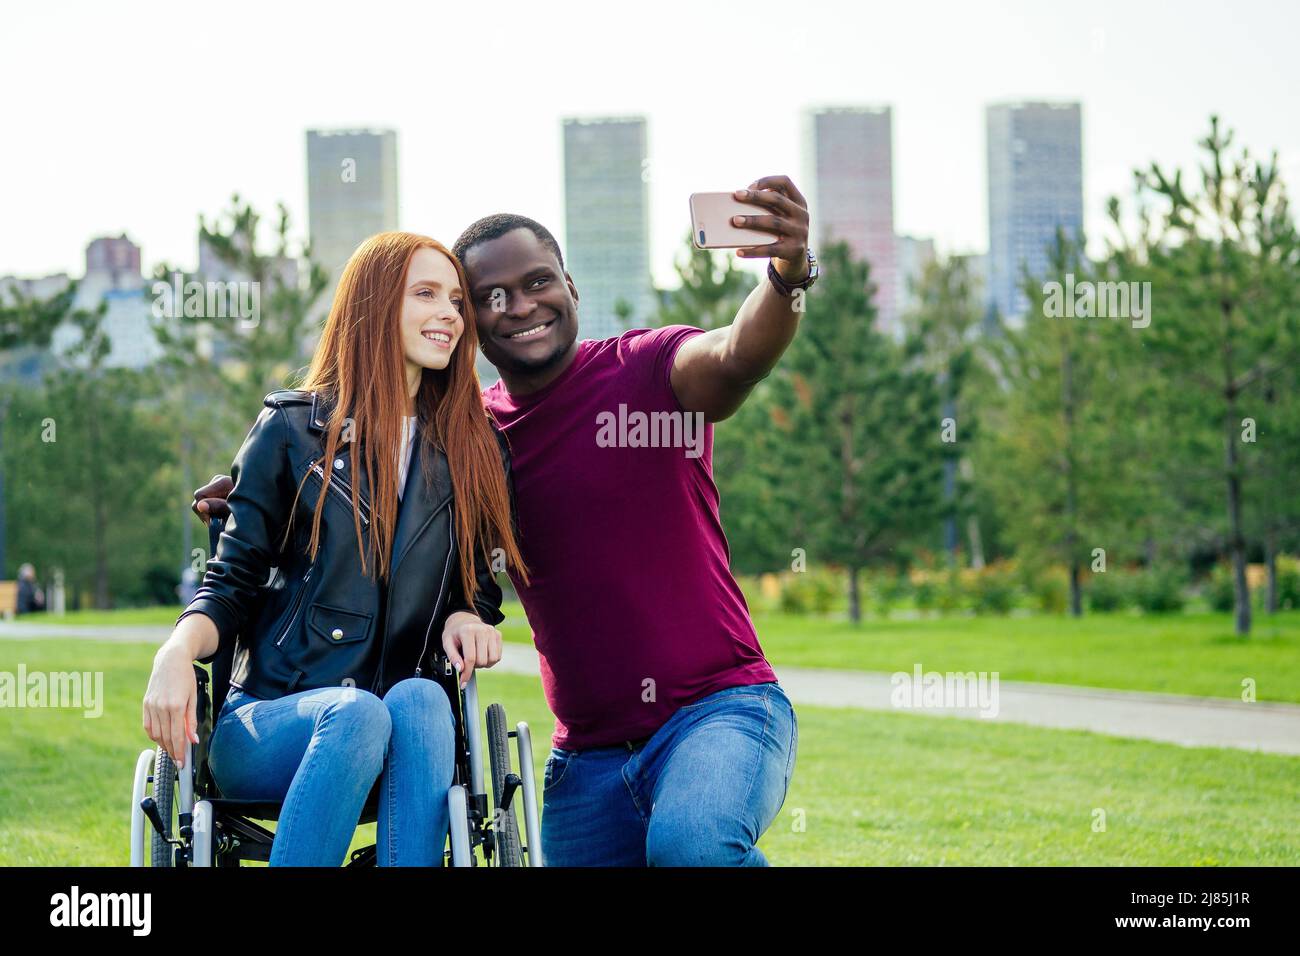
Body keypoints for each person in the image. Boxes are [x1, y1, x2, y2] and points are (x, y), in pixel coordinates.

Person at [195, 175, 814, 866]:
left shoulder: (645, 374)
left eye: (538, 281)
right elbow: (364, 492)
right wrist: (261, 490)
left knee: (692, 846)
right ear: (472, 326)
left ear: (571, 286)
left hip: (718, 711)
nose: (519, 306)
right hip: (588, 758)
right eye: (489, 297)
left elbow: (736, 354)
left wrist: (787, 276)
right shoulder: (465, 442)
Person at [148, 232, 526, 866]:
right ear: (375, 305)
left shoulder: (475, 449)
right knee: (354, 715)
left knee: (423, 697)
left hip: (409, 730)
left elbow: (478, 587)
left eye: (457, 301)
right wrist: (176, 651)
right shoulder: (292, 430)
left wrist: (470, 615)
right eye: (426, 295)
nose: (450, 316)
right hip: (272, 721)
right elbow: (231, 582)